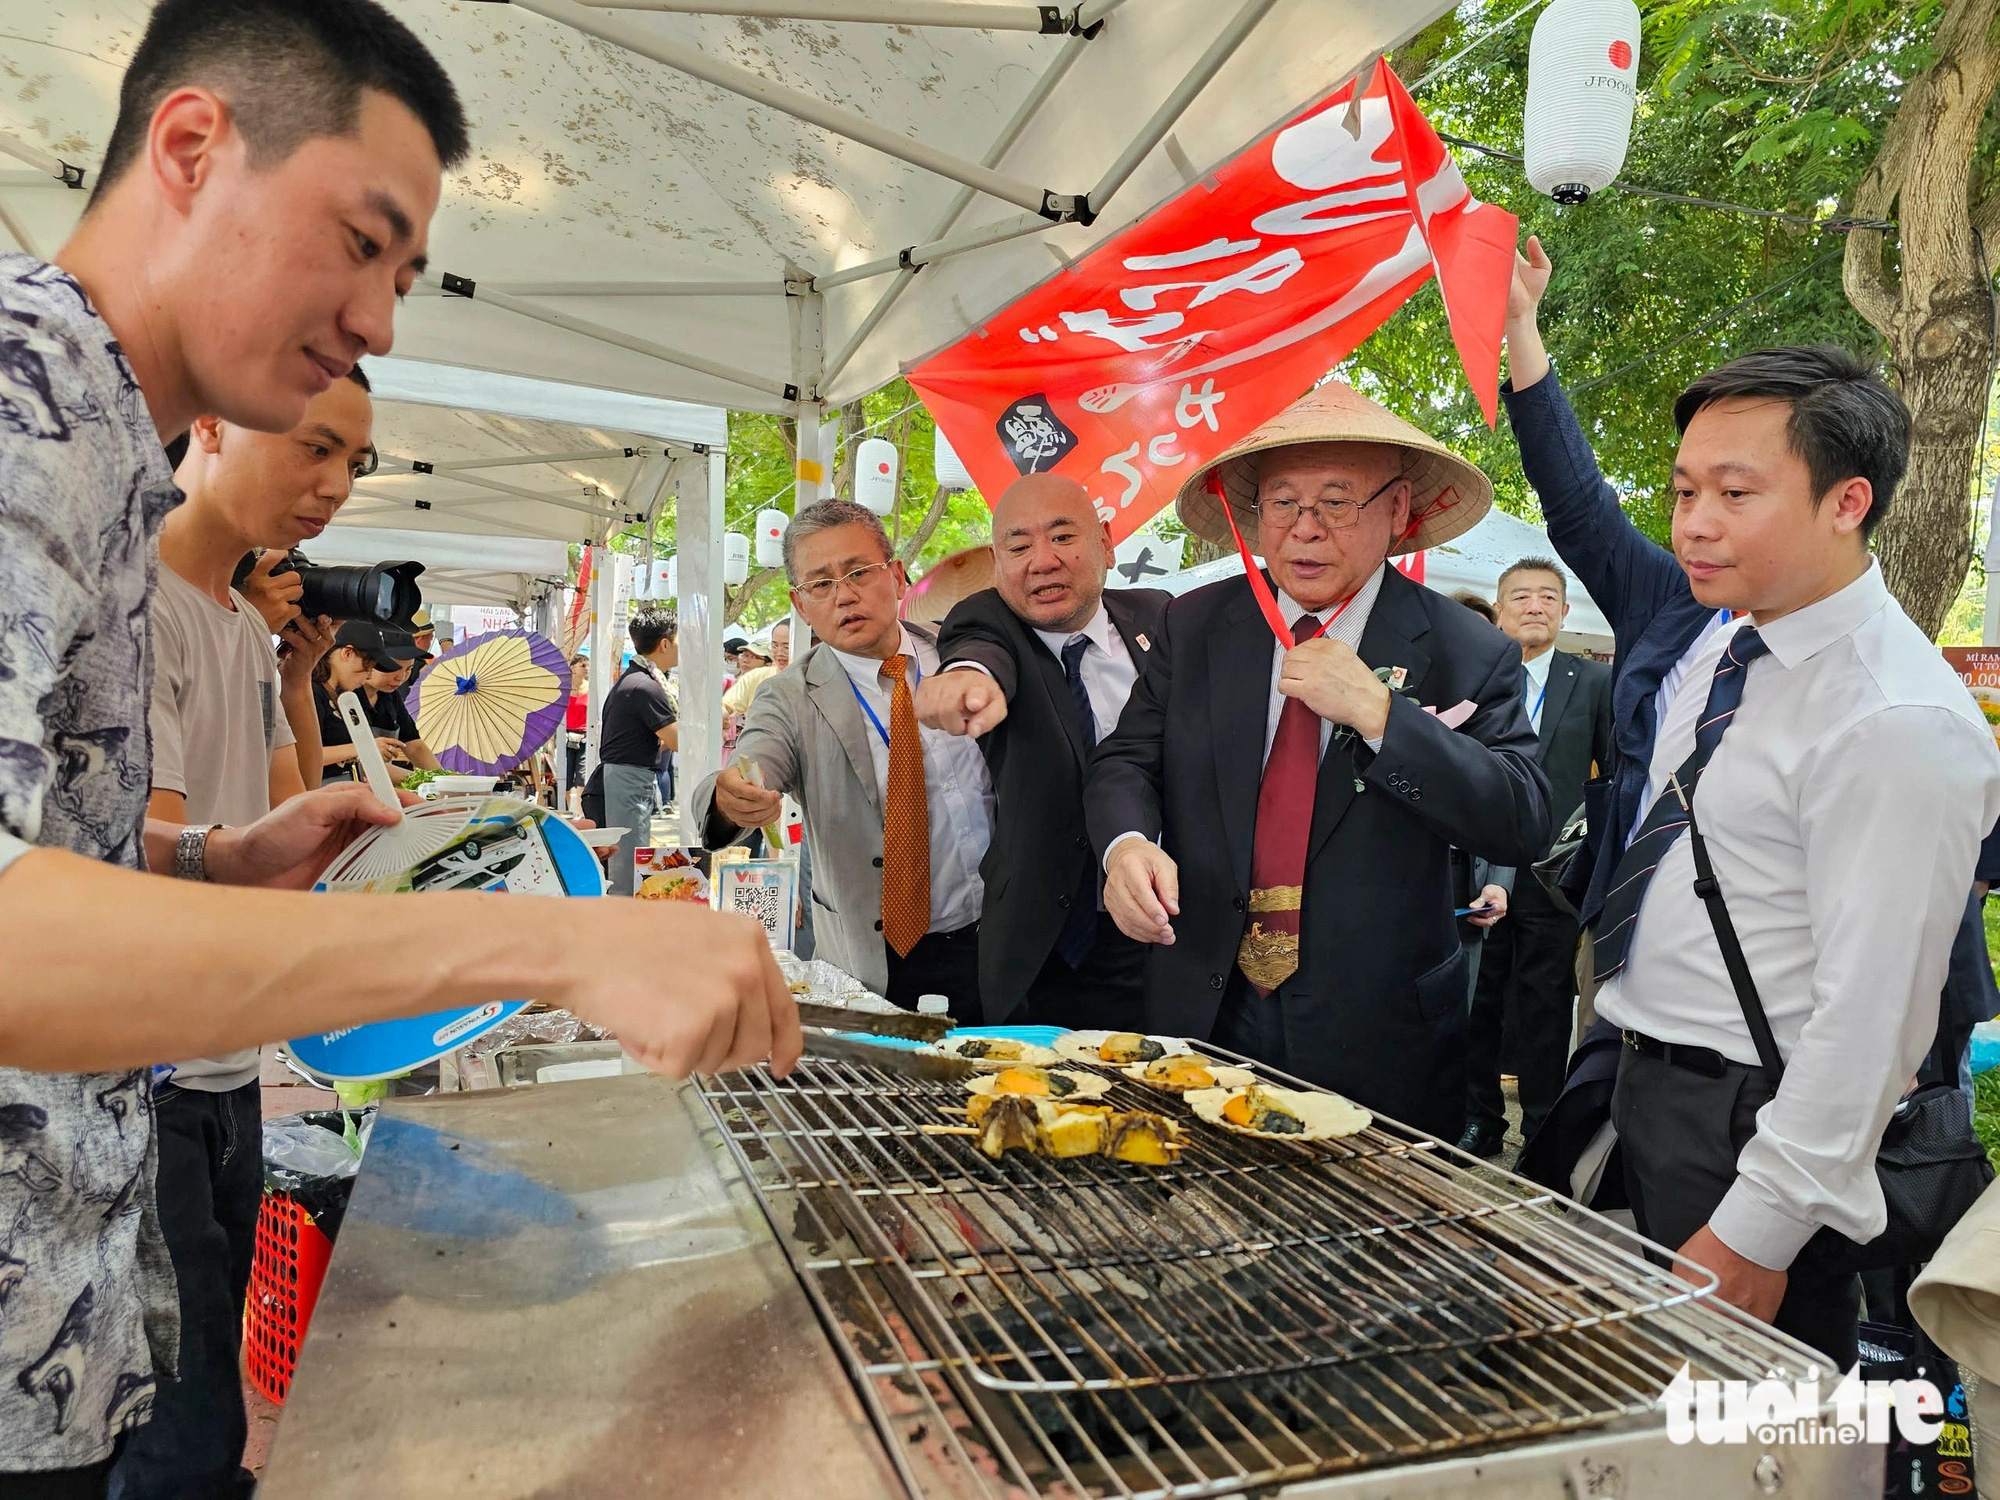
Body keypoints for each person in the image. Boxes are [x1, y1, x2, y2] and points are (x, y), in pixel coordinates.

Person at [0, 7, 796, 1486]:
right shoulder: (23, 390)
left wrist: (204, 853)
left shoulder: (103, 452)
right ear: (191, 148)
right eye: (359, 243)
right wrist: (537, 946)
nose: (376, 322)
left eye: (405, 276)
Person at [1501, 234, 2000, 1366]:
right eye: (1682, 490)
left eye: (1735, 492)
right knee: (1636, 1406)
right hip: (1631, 1078)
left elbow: (1872, 1019)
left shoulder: (1893, 722)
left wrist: (1759, 1228)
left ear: (1846, 502)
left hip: (1752, 1135)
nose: (1693, 522)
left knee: (1753, 1437)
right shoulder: (1727, 646)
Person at [1084, 385, 1551, 1140]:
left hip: (1378, 1029)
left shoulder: (1467, 648)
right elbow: (1126, 762)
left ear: (1399, 510)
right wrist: (1126, 844)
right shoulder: (1198, 623)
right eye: (1282, 503)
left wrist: (1382, 717)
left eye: (1336, 502)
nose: (1305, 530)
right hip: (1205, 999)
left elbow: (1523, 817)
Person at [124, 367, 377, 1496]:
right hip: (142, 1074)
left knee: (211, 1408)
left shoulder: (231, 620)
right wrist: (235, 857)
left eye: (352, 465)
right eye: (314, 447)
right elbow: (154, 841)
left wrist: (299, 681)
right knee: (175, 1430)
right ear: (213, 423)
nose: (331, 488)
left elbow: (285, 818)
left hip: (223, 1071)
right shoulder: (133, 605)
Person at [694, 501, 994, 1017]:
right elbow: (753, 759)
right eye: (821, 584)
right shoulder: (789, 696)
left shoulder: (969, 657)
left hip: (996, 940)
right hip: (873, 961)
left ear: (897, 576)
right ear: (801, 604)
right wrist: (730, 796)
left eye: (858, 572)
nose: (845, 595)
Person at [915, 474, 1169, 1029]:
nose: (1043, 561)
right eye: (1019, 545)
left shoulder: (1161, 616)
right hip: (1050, 948)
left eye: (1061, 536)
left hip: (1171, 929)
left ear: (1105, 541)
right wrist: (965, 682)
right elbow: (977, 655)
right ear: (998, 560)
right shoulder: (987, 621)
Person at [1460, 558, 1614, 1157]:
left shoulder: (1593, 681)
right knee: (1480, 998)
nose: (1535, 606)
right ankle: (1481, 1119)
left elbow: (1614, 774)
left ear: (1565, 612)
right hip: (1481, 867)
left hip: (1556, 875)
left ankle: (1543, 1125)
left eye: (1548, 597)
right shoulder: (1475, 679)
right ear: (1499, 611)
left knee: (1546, 1002)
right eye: (1521, 596)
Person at [584, 608, 679, 895]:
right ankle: (623, 927)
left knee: (627, 856)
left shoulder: (634, 680)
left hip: (622, 777)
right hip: (627, 780)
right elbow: (678, 741)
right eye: (678, 641)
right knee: (628, 862)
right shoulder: (645, 686)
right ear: (664, 644)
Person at [313, 622, 438, 779]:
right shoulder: (314, 692)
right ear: (347, 653)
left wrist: (439, 779)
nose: (401, 678)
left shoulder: (386, 697)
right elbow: (304, 754)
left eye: (408, 670)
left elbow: (414, 745)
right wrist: (364, 747)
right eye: (368, 666)